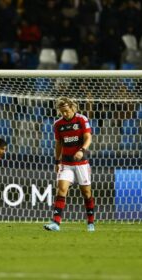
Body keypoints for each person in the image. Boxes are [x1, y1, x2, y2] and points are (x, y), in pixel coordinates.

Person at [44, 97, 95, 232]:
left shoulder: (81, 119)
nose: (64, 114)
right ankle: (56, 222)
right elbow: (59, 143)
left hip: (81, 162)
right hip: (66, 163)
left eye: (66, 111)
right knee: (61, 189)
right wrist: (57, 160)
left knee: (86, 192)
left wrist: (82, 150)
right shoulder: (58, 124)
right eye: (62, 112)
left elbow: (88, 137)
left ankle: (90, 222)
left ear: (72, 108)